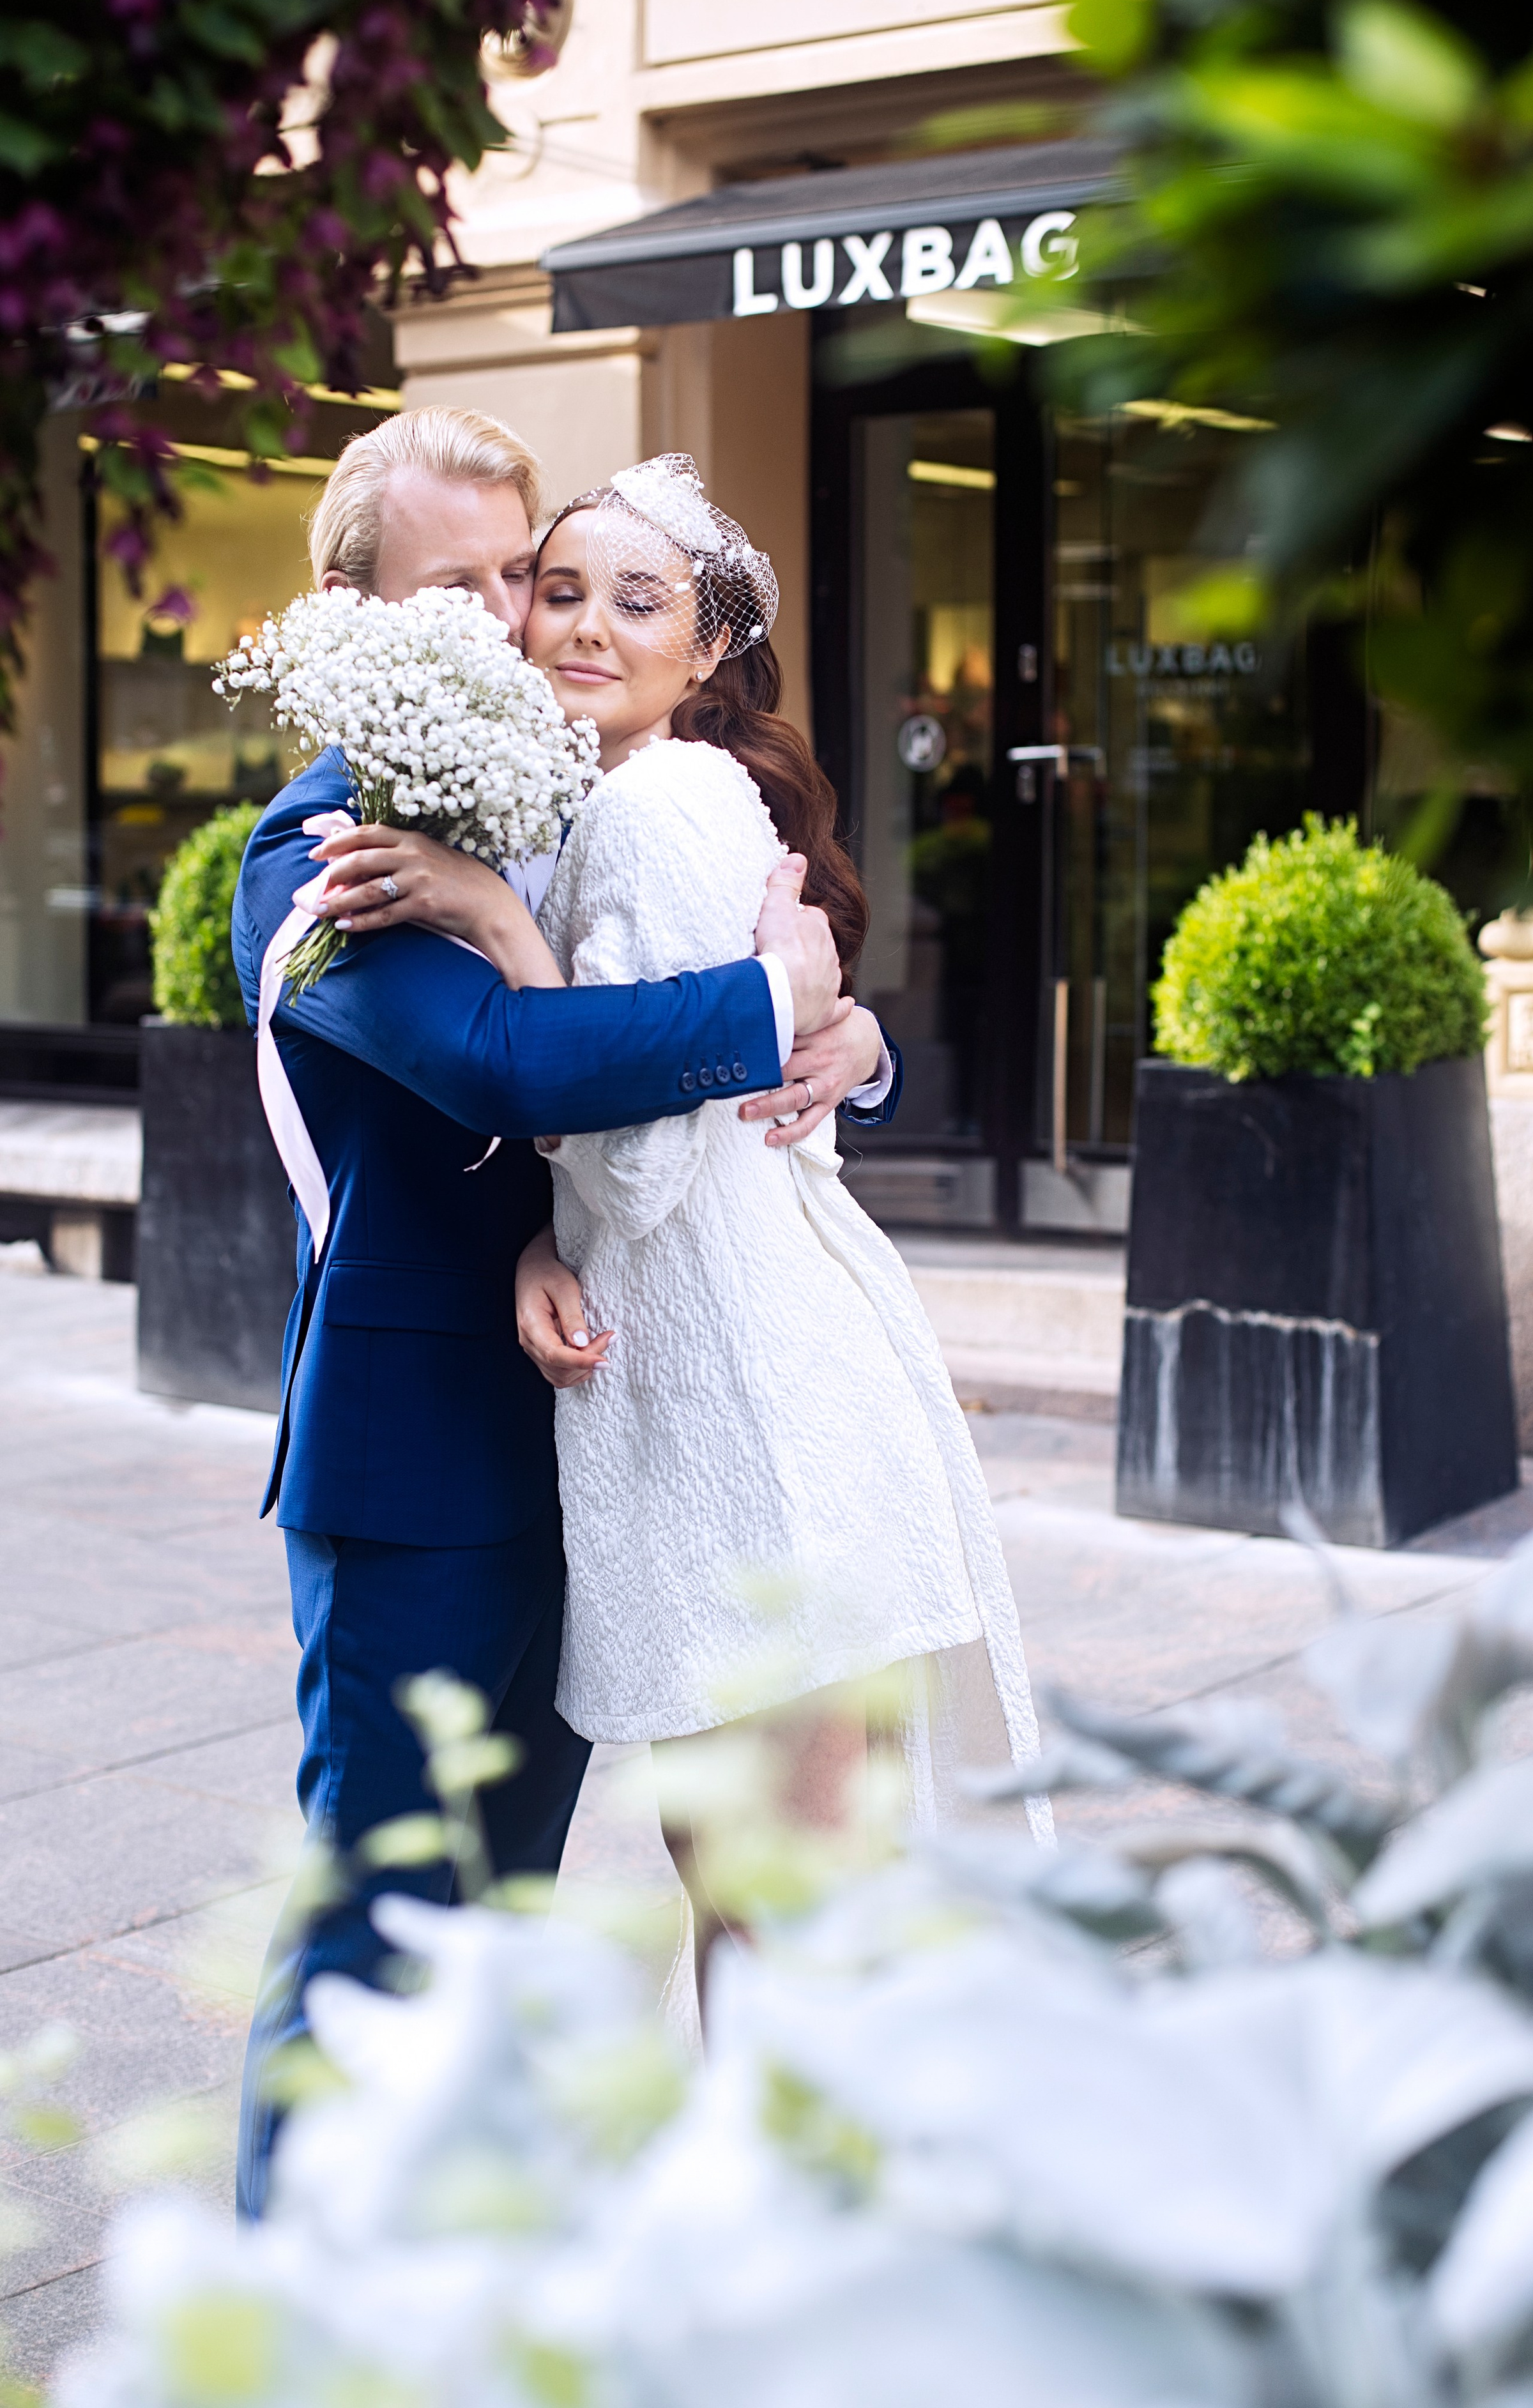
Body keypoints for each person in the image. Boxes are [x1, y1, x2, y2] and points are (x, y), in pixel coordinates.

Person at [231, 411, 899, 2215]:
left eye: (512, 581)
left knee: (501, 1935)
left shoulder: (549, 806)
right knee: (380, 1923)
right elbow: (507, 1060)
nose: (514, 622)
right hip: (416, 1477)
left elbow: (657, 1036)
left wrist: (846, 1039)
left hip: (593, 1459)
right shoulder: (319, 854)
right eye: (462, 586)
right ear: (345, 603)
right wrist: (770, 1000)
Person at [326, 455, 1048, 1996]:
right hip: (729, 1371)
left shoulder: (653, 802)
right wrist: (547, 1236)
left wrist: (507, 931)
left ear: (710, 647)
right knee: (768, 1907)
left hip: (742, 1409)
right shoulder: (604, 791)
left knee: (781, 1915)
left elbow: (641, 1164)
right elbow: (682, 1124)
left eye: (632, 600)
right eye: (558, 589)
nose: (578, 625)